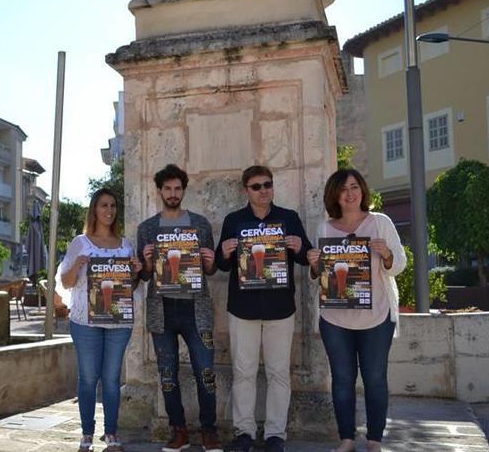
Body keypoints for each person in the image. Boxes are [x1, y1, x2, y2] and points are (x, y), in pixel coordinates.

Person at [306, 169, 406, 452]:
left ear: (362, 190)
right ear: (334, 195)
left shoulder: (380, 223)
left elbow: (399, 264)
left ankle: (374, 439)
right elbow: (319, 274)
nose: (350, 194)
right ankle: (346, 438)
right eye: (343, 189)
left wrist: (386, 254)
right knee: (342, 379)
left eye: (354, 187)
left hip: (377, 318)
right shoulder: (324, 228)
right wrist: (315, 263)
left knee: (375, 378)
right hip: (335, 318)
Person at [216, 166, 312, 452]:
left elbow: (308, 259)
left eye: (267, 185)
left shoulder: (289, 218)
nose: (263, 190)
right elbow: (221, 267)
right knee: (243, 372)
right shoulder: (233, 220)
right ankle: (244, 432)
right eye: (256, 186)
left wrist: (299, 248)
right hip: (242, 308)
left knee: (279, 373)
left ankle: (275, 436)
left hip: (280, 308)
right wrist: (224, 252)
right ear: (246, 190)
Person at [136, 164, 221, 452]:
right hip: (162, 310)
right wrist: (146, 262)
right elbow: (145, 276)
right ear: (159, 190)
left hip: (196, 309)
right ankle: (179, 430)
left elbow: (209, 270)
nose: (173, 194)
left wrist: (209, 262)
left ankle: (209, 430)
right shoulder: (146, 228)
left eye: (178, 189)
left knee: (205, 371)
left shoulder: (199, 224)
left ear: (183, 190)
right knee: (168, 374)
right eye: (168, 189)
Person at [60, 188, 143, 452]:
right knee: (87, 378)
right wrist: (78, 264)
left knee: (111, 379)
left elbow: (130, 286)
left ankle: (111, 433)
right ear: (94, 210)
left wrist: (137, 272)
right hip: (85, 323)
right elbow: (66, 282)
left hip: (118, 322)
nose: (109, 210)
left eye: (113, 206)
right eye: (104, 205)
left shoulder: (125, 244)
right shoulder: (80, 243)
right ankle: (86, 433)